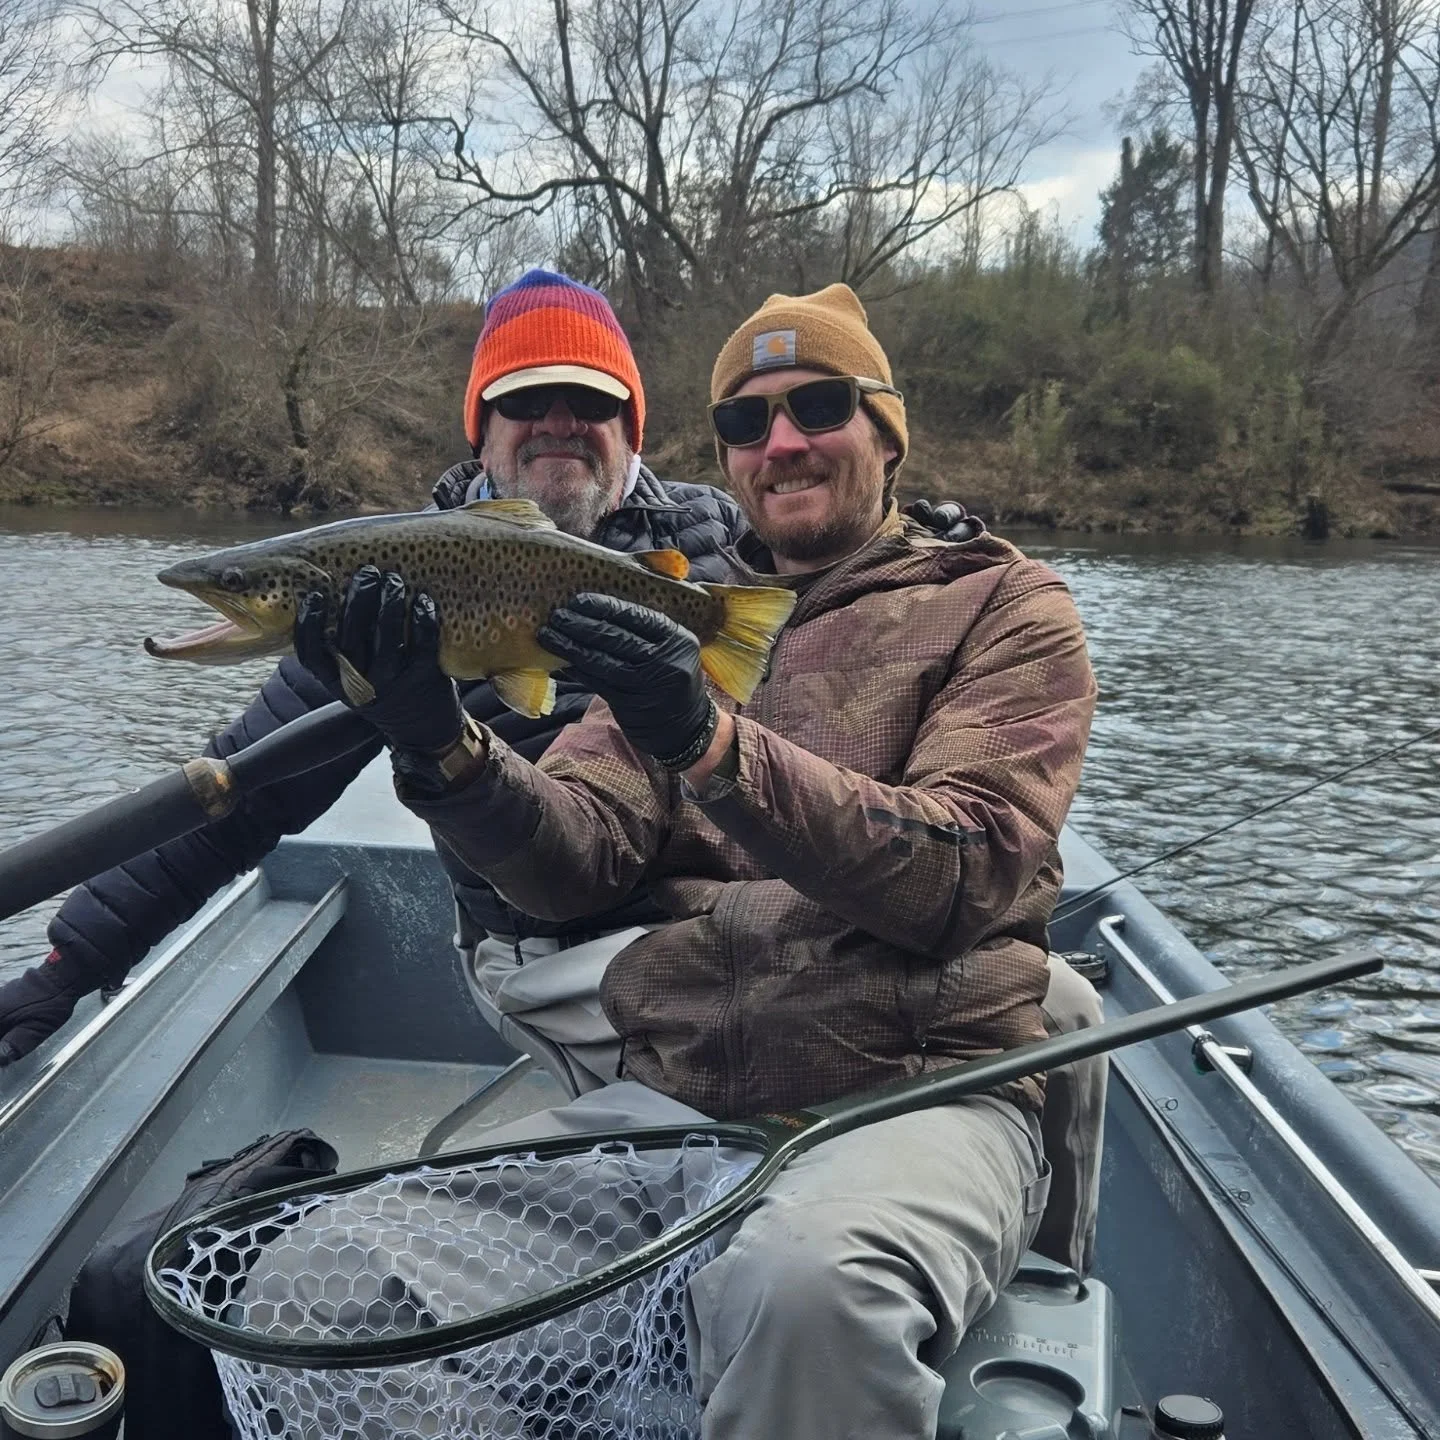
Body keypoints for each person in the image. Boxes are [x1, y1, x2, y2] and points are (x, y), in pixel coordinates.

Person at [291, 282, 1101, 1438]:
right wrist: (445, 751)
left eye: (817, 405)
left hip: (919, 1091)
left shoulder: (1005, 609)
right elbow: (574, 858)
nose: (780, 442)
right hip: (672, 1098)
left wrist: (711, 742)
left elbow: (963, 872)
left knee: (809, 1290)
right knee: (325, 1280)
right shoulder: (688, 619)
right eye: (744, 420)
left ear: (887, 430)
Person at [0, 269, 979, 1088]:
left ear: (631, 427)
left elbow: (854, 578)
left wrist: (935, 545)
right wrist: (71, 960)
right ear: (483, 430)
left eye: (590, 401)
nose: (560, 423)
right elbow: (240, 787)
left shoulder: (720, 548)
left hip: (743, 915)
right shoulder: (386, 592)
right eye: (526, 402)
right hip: (549, 943)